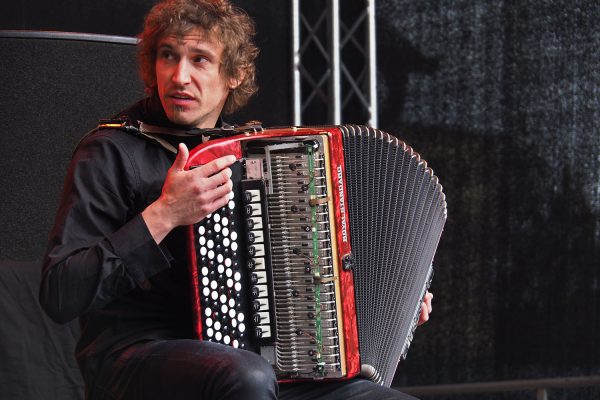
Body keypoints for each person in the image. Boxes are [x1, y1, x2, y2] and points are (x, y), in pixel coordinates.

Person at [39, 0, 433, 399]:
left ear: (234, 74)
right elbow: (60, 292)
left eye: (200, 60)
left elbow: (314, 271)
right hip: (136, 356)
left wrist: (393, 308)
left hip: (265, 362)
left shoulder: (252, 153)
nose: (180, 76)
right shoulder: (110, 151)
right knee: (247, 376)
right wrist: (164, 215)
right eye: (168, 56)